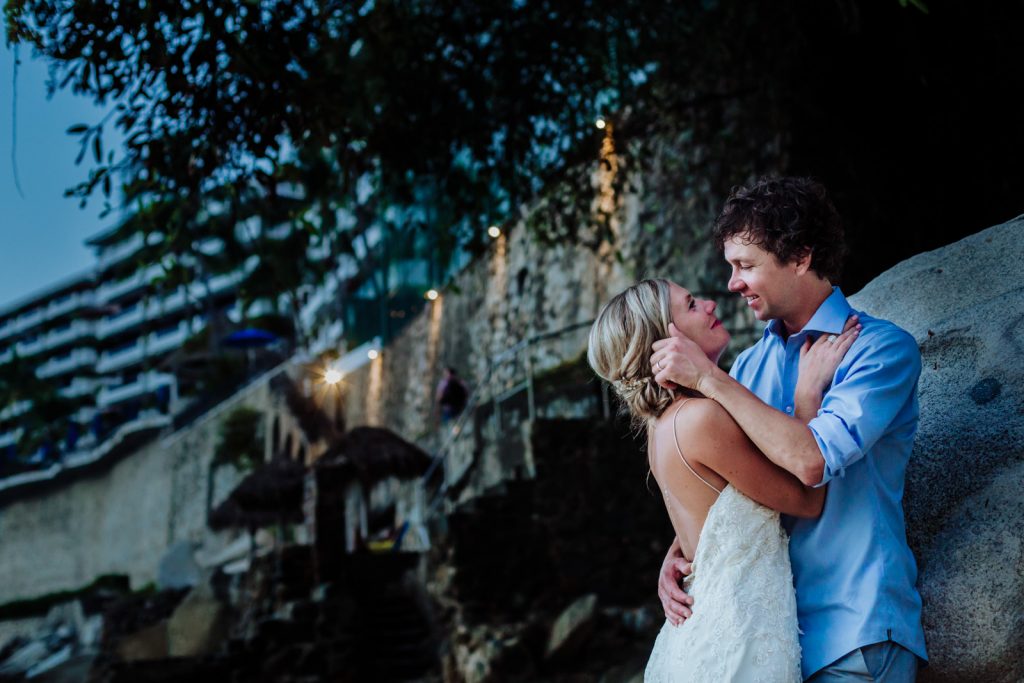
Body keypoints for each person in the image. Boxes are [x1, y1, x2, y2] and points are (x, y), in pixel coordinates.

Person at [649, 177, 927, 681]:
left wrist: (710, 380)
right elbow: (731, 486)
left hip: (856, 635)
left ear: (800, 257)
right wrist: (678, 554)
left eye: (746, 265)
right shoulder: (746, 369)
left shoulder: (881, 350)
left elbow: (811, 461)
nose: (732, 283)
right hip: (773, 642)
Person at [587, 278, 859, 681]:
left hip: (714, 633)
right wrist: (807, 397)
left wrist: (674, 554)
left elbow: (713, 514)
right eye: (692, 305)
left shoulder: (664, 427)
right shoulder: (701, 419)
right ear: (664, 338)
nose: (712, 305)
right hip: (740, 639)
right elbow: (807, 499)